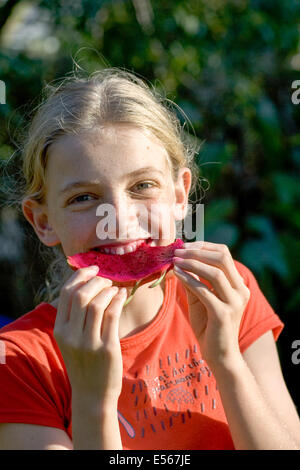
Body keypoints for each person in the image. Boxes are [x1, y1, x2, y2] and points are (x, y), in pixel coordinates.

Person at [0, 69, 299, 450]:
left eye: (142, 186)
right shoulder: (18, 361)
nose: (119, 220)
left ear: (179, 196)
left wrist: (227, 363)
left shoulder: (227, 294)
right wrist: (93, 403)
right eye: (83, 198)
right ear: (43, 221)